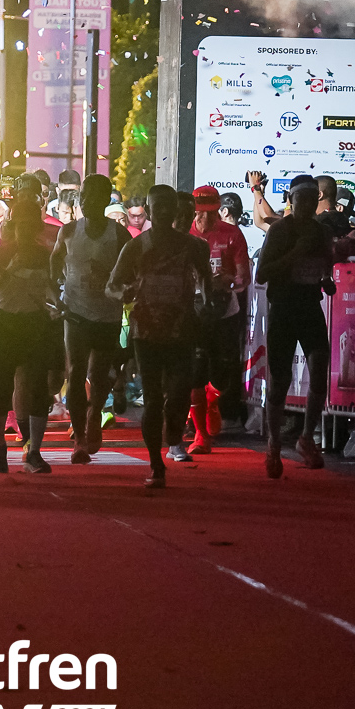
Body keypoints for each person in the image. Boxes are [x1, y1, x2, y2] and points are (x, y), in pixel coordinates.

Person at [106, 182, 210, 488]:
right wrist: (123, 293)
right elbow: (111, 285)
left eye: (168, 207)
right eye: (158, 207)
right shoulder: (136, 246)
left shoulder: (193, 246)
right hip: (146, 331)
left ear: (176, 211)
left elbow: (205, 277)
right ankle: (155, 463)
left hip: (181, 329)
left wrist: (207, 305)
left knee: (179, 395)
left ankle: (174, 432)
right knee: (152, 399)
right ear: (149, 211)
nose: (163, 212)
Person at [255, 179, 335, 478]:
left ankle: (306, 437)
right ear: (291, 198)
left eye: (312, 199)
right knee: (280, 380)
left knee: (320, 371)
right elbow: (261, 274)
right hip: (283, 310)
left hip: (310, 308)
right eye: (301, 199)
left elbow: (325, 267)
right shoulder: (279, 230)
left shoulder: (320, 232)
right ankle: (274, 443)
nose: (307, 205)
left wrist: (326, 280)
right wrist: (294, 255)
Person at [0, 198, 58, 474]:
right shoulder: (0, 254)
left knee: (38, 389)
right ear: (11, 225)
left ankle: (34, 451)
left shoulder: (44, 255)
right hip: (8, 323)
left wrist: (57, 305)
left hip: (36, 323)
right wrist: (8, 272)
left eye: (29, 225)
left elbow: (52, 288)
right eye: (19, 225)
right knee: (3, 387)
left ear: (37, 227)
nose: (23, 230)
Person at [51, 174, 127, 464]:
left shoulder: (119, 235)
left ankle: (95, 415)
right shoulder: (69, 231)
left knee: (99, 374)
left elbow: (131, 270)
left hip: (107, 313)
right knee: (75, 372)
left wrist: (113, 281)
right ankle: (80, 437)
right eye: (83, 197)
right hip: (75, 312)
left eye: (93, 198)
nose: (86, 203)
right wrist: (56, 294)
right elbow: (54, 262)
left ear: (105, 200)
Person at [187, 184, 252, 454]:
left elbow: (244, 278)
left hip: (225, 311)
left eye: (211, 212)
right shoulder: (185, 235)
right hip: (193, 311)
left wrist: (227, 281)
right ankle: (200, 435)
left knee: (224, 371)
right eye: (200, 213)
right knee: (195, 371)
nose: (205, 219)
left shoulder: (232, 234)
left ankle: (213, 399)